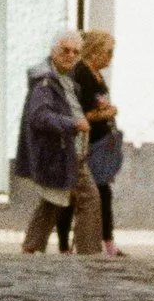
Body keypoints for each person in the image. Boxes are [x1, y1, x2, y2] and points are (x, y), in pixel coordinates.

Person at [16, 33, 100, 256]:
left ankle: (31, 248)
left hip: (68, 152)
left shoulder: (65, 79)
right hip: (60, 152)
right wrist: (73, 124)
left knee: (54, 201)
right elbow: (39, 117)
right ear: (53, 51)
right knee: (89, 199)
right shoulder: (45, 82)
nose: (70, 55)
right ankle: (89, 254)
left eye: (75, 51)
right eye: (65, 50)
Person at [73, 30, 126, 259]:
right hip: (88, 144)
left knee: (102, 193)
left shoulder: (97, 74)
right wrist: (106, 113)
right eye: (108, 52)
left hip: (102, 143)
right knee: (89, 195)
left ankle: (105, 242)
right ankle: (78, 245)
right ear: (94, 52)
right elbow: (82, 114)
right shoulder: (82, 74)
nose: (111, 57)